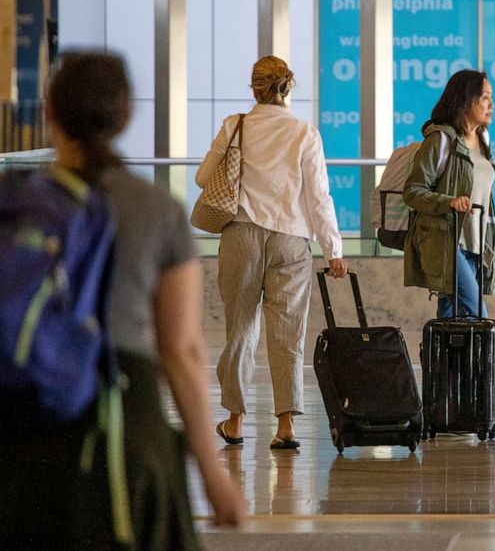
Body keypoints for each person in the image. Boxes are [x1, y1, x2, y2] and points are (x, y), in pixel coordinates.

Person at [0, 52, 244, 549]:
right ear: (125, 116)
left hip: (27, 427)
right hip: (128, 424)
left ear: (50, 112)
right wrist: (213, 474)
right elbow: (181, 350)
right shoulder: (156, 209)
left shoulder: (16, 201)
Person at [197, 56, 347, 451]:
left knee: (241, 328)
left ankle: (235, 419)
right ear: (289, 88)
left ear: (254, 89)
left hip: (241, 236)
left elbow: (201, 178)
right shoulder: (304, 133)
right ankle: (285, 427)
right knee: (287, 334)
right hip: (291, 241)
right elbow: (319, 197)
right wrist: (334, 248)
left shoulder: (236, 125)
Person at [404, 69, 495, 318]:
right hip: (447, 240)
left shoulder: (483, 138)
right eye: (485, 97)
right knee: (479, 315)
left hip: (476, 242)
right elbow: (412, 191)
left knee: (451, 316)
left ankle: (439, 358)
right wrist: (449, 202)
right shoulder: (440, 140)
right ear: (466, 100)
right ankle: (488, 358)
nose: (492, 104)